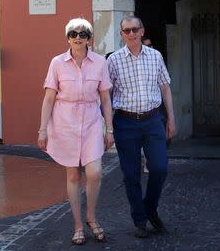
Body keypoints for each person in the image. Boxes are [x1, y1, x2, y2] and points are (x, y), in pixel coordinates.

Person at [37, 18, 114, 245]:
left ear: (89, 37)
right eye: (73, 34)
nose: (78, 37)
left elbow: (106, 99)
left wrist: (109, 129)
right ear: (67, 37)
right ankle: (78, 224)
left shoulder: (100, 62)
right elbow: (49, 98)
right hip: (65, 122)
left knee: (94, 173)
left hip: (91, 121)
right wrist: (43, 130)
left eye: (82, 33)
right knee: (72, 175)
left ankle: (91, 215)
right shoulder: (57, 63)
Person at [107, 15, 175, 238]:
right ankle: (140, 220)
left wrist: (171, 119)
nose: (131, 34)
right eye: (126, 31)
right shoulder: (114, 60)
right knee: (130, 174)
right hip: (125, 122)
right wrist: (106, 125)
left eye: (135, 29)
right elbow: (105, 94)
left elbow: (165, 88)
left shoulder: (155, 56)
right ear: (121, 34)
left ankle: (150, 208)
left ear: (142, 31)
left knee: (160, 168)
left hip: (153, 120)